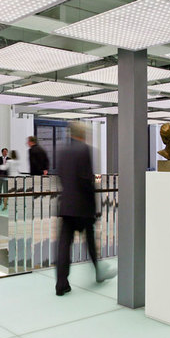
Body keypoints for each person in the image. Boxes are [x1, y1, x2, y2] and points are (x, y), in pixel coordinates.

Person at [55, 122, 115, 296]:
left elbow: (61, 176)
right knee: (90, 241)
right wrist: (94, 207)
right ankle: (99, 272)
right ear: (83, 134)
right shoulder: (84, 150)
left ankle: (61, 283)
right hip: (83, 206)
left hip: (66, 205)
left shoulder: (63, 151)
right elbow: (86, 179)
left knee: (64, 245)